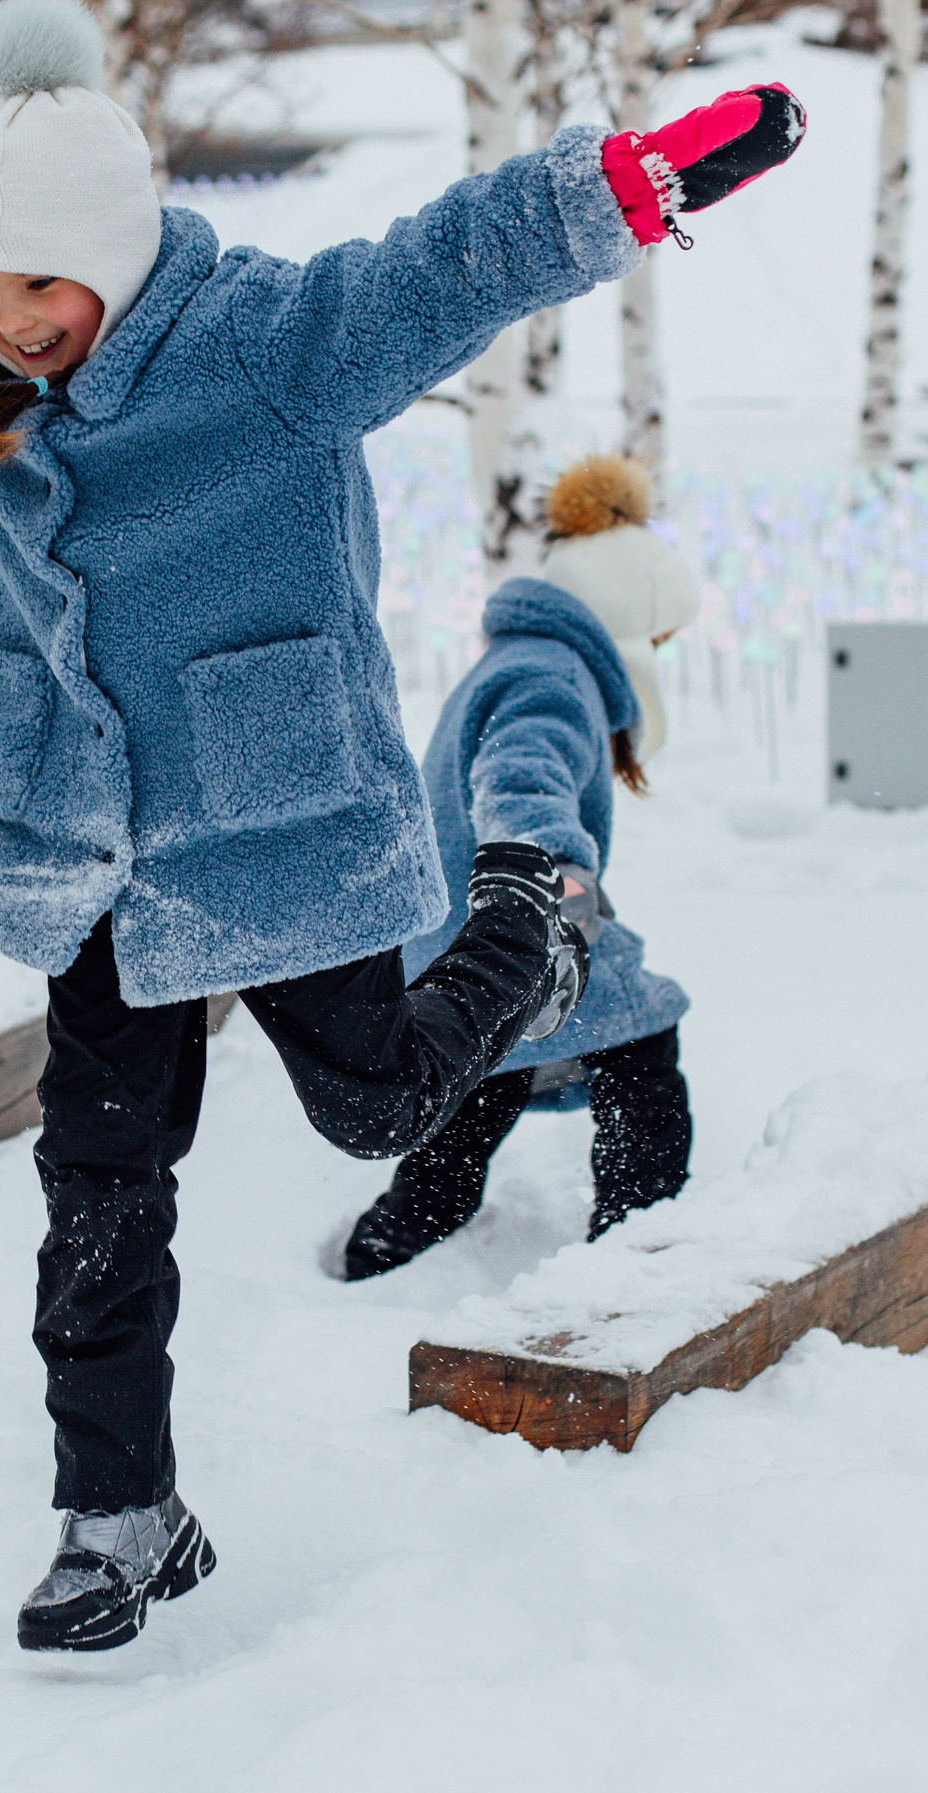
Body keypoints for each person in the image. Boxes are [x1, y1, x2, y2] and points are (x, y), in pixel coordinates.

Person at [0, 0, 802, 1652]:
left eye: (41, 288)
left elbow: (441, 269)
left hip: (281, 820)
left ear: (126, 253)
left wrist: (621, 190)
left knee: (376, 1107)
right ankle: (116, 1513)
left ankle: (535, 920)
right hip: (87, 859)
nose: (11, 326)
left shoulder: (269, 349)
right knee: (100, 1188)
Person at [344, 456, 700, 1280]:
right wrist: (563, 889)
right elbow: (519, 784)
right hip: (520, 913)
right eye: (657, 637)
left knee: (481, 1082)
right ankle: (641, 1248)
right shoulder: (551, 676)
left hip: (462, 929)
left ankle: (393, 1240)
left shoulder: (527, 658)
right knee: (639, 1041)